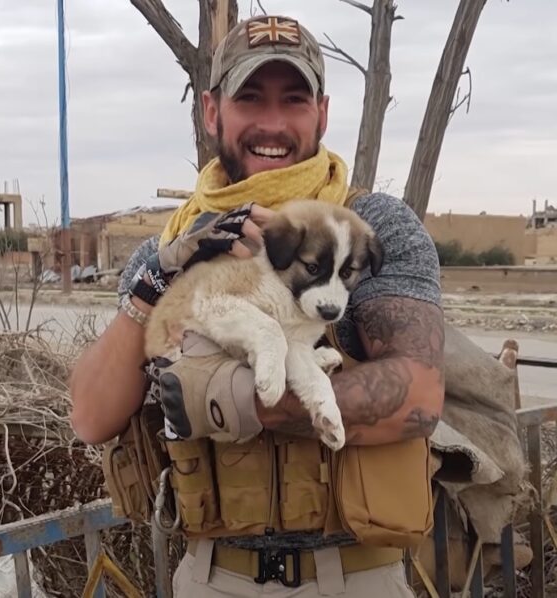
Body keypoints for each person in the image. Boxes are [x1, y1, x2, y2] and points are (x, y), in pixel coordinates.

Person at [70, 14, 445, 597]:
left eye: (293, 100)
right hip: (213, 573)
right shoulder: (170, 248)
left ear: (321, 114)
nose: (272, 124)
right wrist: (156, 283)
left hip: (355, 573)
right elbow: (93, 416)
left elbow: (418, 397)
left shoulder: (371, 229)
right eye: (251, 98)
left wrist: (231, 399)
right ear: (213, 111)